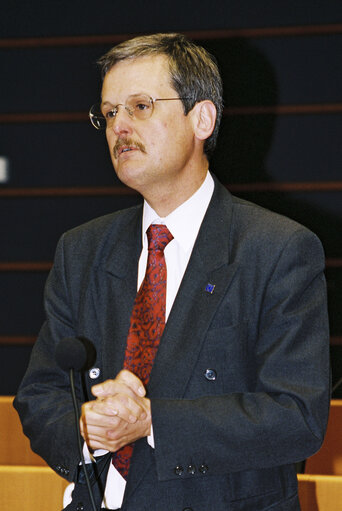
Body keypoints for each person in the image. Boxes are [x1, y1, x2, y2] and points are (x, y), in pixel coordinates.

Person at [14, 33, 330, 511]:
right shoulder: (81, 250)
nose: (119, 126)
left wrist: (151, 422)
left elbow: (297, 415)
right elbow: (39, 395)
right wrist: (84, 427)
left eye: (140, 106)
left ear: (201, 118)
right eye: (110, 112)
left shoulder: (278, 249)